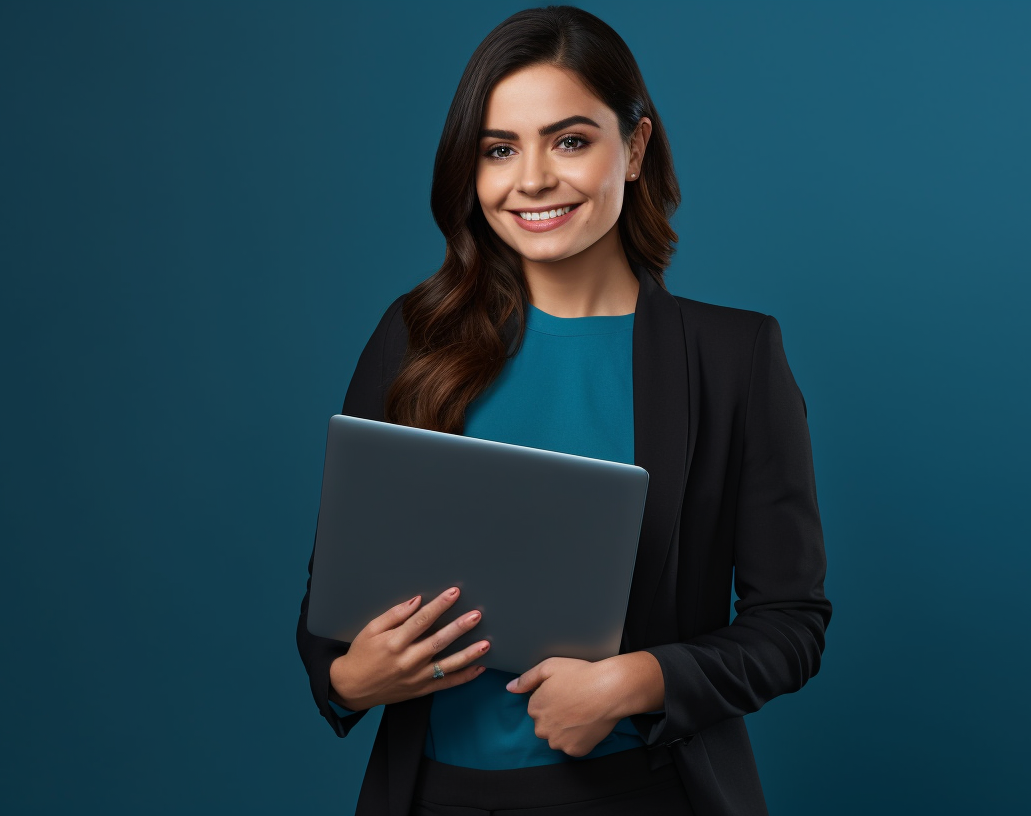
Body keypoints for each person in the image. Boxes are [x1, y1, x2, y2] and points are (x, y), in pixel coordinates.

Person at [295, 6, 830, 815]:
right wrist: (346, 678)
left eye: (570, 141)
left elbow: (791, 621)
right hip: (437, 794)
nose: (533, 179)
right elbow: (334, 594)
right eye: (499, 150)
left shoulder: (734, 359)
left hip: (644, 793)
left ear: (637, 146)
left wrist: (635, 681)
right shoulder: (413, 338)